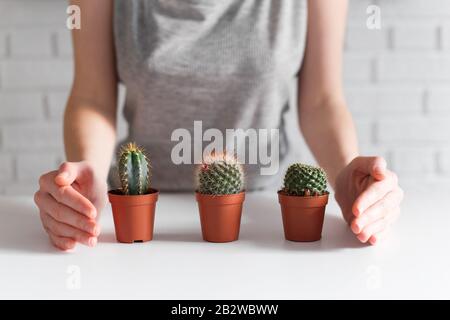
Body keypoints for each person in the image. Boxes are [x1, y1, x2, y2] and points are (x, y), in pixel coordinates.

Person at [34, 0, 403, 250]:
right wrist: (88, 175)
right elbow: (92, 96)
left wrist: (345, 175)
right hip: (138, 222)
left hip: (266, 222)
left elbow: (322, 100)